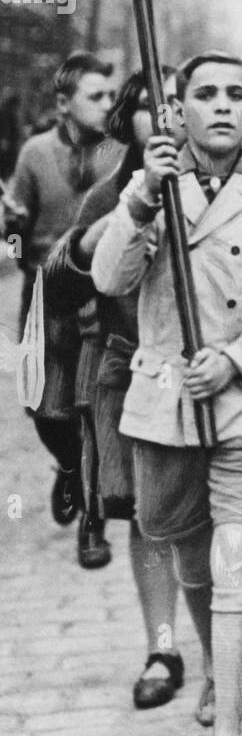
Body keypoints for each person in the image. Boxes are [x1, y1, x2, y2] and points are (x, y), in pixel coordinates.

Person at [91, 52, 242, 736]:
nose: (220, 106)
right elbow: (108, 277)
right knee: (186, 550)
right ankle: (216, 664)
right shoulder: (149, 187)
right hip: (168, 399)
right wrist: (140, 204)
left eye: (234, 95)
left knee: (235, 554)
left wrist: (236, 357)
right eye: (204, 94)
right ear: (178, 111)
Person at [43, 67, 204, 707]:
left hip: (211, 373)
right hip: (130, 372)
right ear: (127, 122)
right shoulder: (108, 195)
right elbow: (59, 285)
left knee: (216, 518)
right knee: (147, 516)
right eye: (146, 106)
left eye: (175, 102)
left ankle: (222, 651)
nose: (161, 117)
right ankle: (162, 646)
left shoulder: (233, 190)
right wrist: (92, 238)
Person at [2, 52, 119, 539]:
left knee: (92, 402)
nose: (107, 105)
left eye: (111, 96)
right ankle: (70, 465)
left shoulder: (119, 154)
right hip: (47, 294)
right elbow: (16, 225)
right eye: (96, 97)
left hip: (103, 294)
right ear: (64, 103)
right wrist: (12, 232)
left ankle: (93, 519)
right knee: (45, 408)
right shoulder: (34, 152)